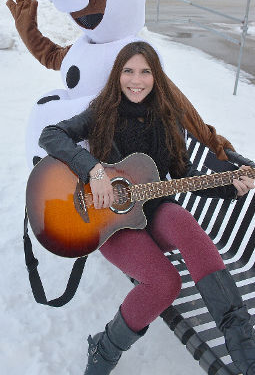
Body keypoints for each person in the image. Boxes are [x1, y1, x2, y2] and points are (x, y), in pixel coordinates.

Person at [39, 41, 255, 375]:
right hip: (111, 223)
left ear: (156, 77)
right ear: (118, 75)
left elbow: (186, 175)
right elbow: (51, 135)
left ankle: (243, 345)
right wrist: (94, 170)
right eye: (128, 71)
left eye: (145, 71)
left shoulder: (168, 118)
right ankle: (104, 349)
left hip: (154, 210)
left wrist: (231, 185)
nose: (136, 80)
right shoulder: (102, 111)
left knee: (182, 220)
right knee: (166, 283)